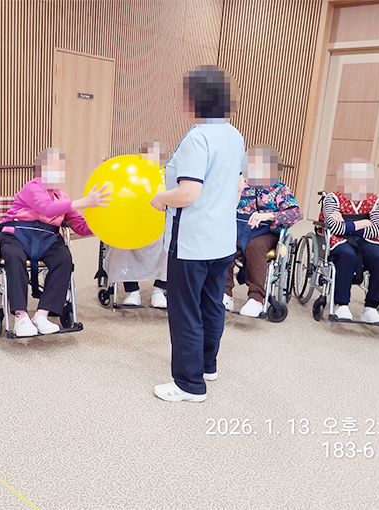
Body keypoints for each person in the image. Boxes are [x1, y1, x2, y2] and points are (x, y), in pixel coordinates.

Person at [150, 65, 244, 402]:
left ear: (197, 98)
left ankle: (188, 384)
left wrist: (160, 198)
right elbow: (238, 187)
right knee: (211, 304)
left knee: (185, 310)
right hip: (222, 239)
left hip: (191, 241)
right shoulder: (234, 135)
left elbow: (188, 192)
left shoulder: (198, 137)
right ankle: (207, 365)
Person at [0, 148, 111, 338]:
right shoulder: (32, 187)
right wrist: (84, 202)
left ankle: (42, 315)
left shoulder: (63, 196)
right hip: (16, 235)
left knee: (64, 259)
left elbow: (80, 227)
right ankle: (20, 317)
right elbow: (47, 208)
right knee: (14, 256)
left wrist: (105, 225)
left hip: (47, 239)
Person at [224, 146, 300, 317]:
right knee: (225, 244)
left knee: (255, 246)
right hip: (239, 229)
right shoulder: (241, 185)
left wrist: (268, 216)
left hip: (266, 232)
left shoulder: (280, 189)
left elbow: (294, 213)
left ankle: (256, 298)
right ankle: (225, 293)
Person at [321, 158, 379, 324]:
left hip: (368, 240)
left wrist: (347, 225)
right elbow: (334, 227)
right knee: (347, 256)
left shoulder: (374, 201)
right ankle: (341, 305)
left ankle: (371, 308)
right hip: (339, 240)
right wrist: (364, 222)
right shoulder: (333, 198)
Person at [105, 142, 168, 308]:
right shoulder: (129, 177)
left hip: (160, 228)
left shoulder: (168, 179)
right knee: (121, 246)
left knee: (171, 245)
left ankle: (159, 291)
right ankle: (132, 291)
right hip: (132, 226)